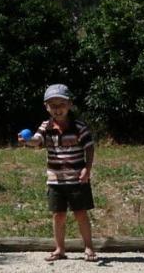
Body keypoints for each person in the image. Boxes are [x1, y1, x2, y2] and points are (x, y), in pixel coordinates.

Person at [19, 84, 97, 262]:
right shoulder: (46, 126)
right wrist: (27, 140)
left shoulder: (78, 126)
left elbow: (89, 147)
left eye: (61, 104)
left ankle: (89, 247)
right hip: (55, 180)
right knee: (58, 215)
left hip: (78, 178)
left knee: (80, 213)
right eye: (52, 105)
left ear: (69, 104)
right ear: (46, 107)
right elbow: (37, 141)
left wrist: (87, 168)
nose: (57, 109)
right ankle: (60, 249)